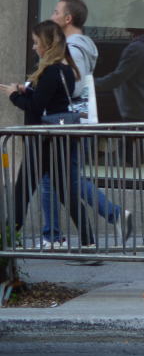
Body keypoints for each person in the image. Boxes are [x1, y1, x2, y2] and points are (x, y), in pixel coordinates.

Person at [42, 0, 131, 245]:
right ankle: (54, 236)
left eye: (55, 11)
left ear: (67, 19)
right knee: (55, 177)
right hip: (72, 121)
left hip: (67, 122)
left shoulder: (73, 47)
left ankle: (57, 236)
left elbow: (75, 84)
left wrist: (40, 89)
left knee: (61, 178)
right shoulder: (78, 45)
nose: (51, 16)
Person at [2, 21, 95, 247]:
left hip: (44, 139)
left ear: (47, 45)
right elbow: (51, 100)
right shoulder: (64, 70)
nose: (34, 48)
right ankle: (88, 241)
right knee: (64, 192)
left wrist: (15, 95)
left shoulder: (51, 71)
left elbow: (35, 107)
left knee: (23, 191)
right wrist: (29, 89)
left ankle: (6, 242)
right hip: (58, 137)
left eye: (36, 43)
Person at [95, 0, 144, 122]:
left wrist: (91, 84)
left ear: (137, 19)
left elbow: (117, 78)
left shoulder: (136, 49)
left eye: (128, 15)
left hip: (136, 114)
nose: (125, 19)